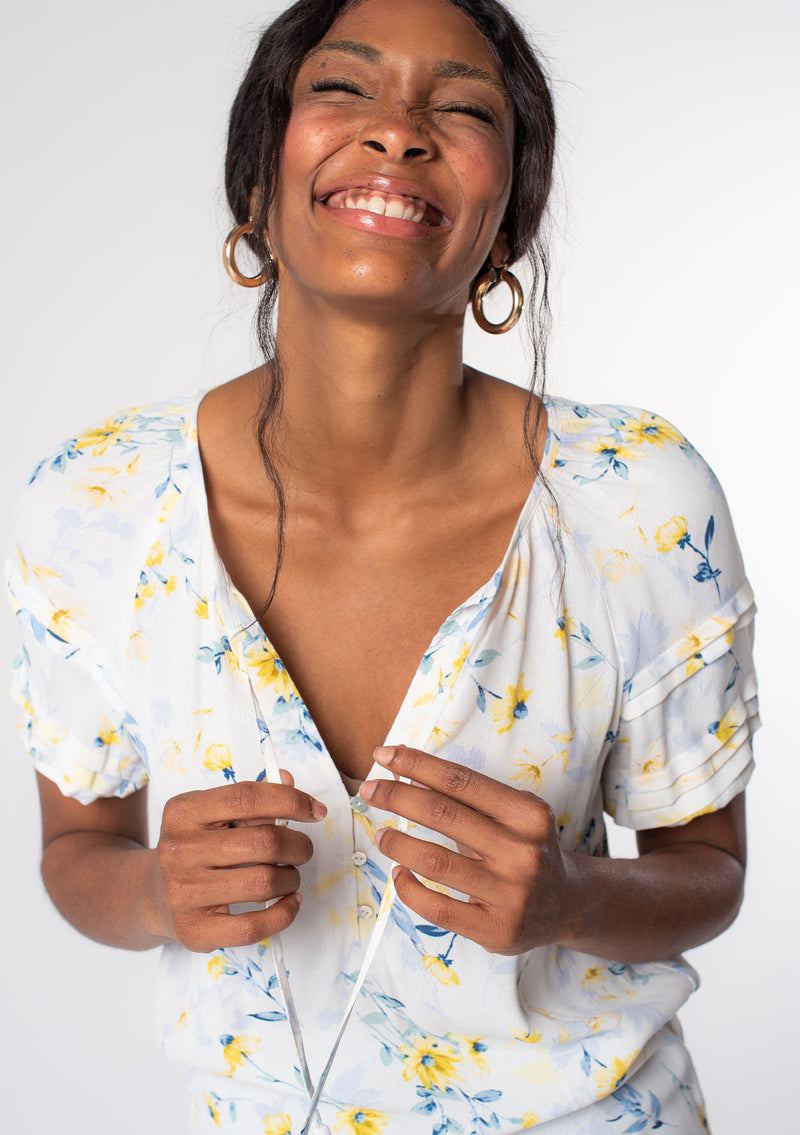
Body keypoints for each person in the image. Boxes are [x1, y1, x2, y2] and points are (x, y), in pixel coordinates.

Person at [6, 0, 758, 1131]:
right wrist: (155, 889)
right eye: (342, 87)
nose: (398, 130)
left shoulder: (636, 499)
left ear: (507, 221)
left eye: (462, 108)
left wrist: (570, 896)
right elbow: (79, 851)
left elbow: (707, 870)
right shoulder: (95, 505)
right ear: (256, 182)